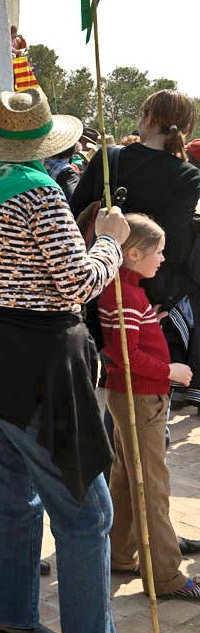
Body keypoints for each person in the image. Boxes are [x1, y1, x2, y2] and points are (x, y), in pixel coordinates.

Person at [0, 89, 168, 633]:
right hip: (41, 367)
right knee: (85, 510)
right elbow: (77, 281)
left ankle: (13, 622)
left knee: (12, 494)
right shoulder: (41, 194)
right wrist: (109, 241)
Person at [71, 90, 200, 408]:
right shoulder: (187, 175)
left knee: (94, 381)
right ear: (185, 130)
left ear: (149, 118)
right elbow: (177, 243)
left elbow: (73, 215)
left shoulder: (110, 157)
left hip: (97, 280)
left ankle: (99, 448)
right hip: (148, 295)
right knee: (140, 389)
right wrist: (166, 299)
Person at [99, 214, 200, 601]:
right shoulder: (126, 294)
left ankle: (122, 552)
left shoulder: (127, 290)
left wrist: (149, 324)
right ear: (134, 252)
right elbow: (127, 355)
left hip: (132, 396)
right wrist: (170, 370)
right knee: (151, 485)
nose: (163, 258)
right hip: (140, 396)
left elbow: (128, 338)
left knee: (127, 475)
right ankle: (166, 575)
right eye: (157, 252)